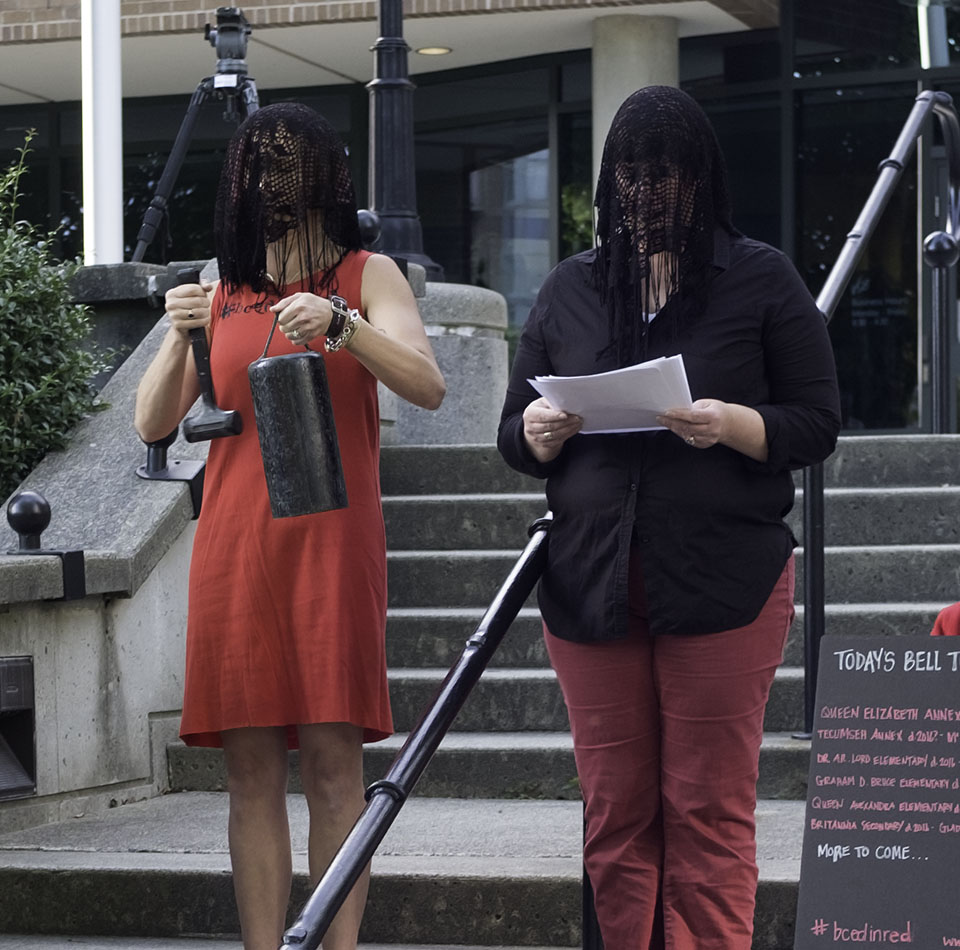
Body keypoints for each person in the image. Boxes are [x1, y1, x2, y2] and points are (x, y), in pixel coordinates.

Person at [497, 85, 841, 949]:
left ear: (702, 182)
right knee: (615, 816)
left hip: (723, 580)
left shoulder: (758, 276)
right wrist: (537, 432)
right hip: (591, 582)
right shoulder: (570, 288)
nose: (647, 194)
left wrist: (730, 423)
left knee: (707, 811)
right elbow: (513, 429)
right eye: (631, 175)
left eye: (667, 176)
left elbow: (818, 421)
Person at [134, 102, 445, 950]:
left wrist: (343, 327)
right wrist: (176, 336)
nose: (267, 184)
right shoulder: (221, 279)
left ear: (320, 177)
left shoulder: (366, 273)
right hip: (235, 547)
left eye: (284, 167)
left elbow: (427, 384)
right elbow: (152, 426)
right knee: (247, 772)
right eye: (254, 168)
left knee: (337, 768)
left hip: (332, 545)